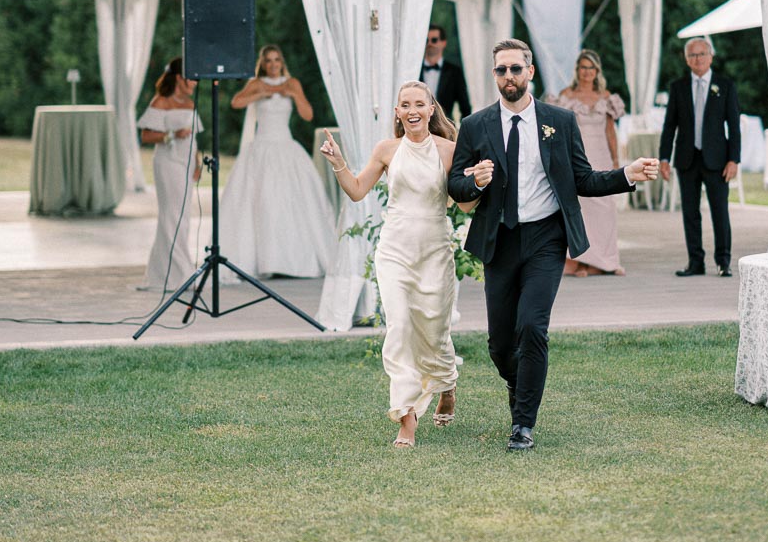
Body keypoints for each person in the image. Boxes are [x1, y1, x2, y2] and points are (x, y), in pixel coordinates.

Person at [448, 39, 658, 452]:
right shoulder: (475, 125)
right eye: (501, 70)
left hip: (546, 239)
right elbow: (454, 183)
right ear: (495, 76)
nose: (509, 76)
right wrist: (475, 180)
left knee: (532, 327)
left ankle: (523, 425)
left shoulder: (559, 121)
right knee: (499, 343)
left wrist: (626, 174)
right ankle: (520, 381)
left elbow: (583, 179)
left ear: (530, 73)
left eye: (515, 69)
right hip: (500, 241)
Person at [320, 82, 490, 449]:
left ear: (431, 109)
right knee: (398, 330)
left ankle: (447, 383)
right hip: (394, 251)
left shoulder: (449, 150)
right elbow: (356, 189)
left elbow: (463, 207)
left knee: (434, 330)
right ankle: (407, 417)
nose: (412, 110)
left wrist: (477, 183)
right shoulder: (386, 150)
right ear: (397, 113)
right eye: (404, 105)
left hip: (434, 251)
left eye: (419, 104)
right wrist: (339, 164)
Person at [218, 44, 335, 279]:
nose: (273, 65)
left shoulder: (292, 84)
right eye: (268, 61)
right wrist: (261, 94)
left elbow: (308, 115)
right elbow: (236, 103)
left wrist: (292, 94)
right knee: (264, 200)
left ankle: (293, 260)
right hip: (261, 148)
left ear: (282, 62)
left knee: (292, 200)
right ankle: (266, 260)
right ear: (263, 64)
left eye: (277, 60)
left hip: (285, 146)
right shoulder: (257, 83)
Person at [659, 36, 741, 278]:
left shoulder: (725, 86)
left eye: (702, 54)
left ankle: (723, 261)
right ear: (686, 59)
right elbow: (669, 126)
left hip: (717, 160)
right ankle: (695, 262)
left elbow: (734, 126)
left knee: (719, 211)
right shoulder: (678, 86)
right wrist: (664, 158)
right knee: (690, 213)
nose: (698, 59)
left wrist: (733, 159)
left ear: (711, 56)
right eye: (692, 55)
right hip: (686, 158)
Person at [553, 49, 627, 276]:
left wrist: (616, 160)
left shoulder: (606, 97)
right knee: (582, 208)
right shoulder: (566, 96)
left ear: (597, 71)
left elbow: (610, 131)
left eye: (591, 68)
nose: (587, 72)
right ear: (578, 71)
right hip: (577, 156)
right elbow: (560, 130)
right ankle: (583, 261)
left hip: (602, 155)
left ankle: (608, 260)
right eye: (583, 67)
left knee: (606, 209)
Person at [137, 57, 203, 291]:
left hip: (186, 163)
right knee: (172, 216)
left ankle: (164, 272)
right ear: (179, 78)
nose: (195, 83)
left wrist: (196, 163)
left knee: (183, 217)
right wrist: (172, 134)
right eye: (192, 78)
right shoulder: (161, 102)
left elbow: (194, 136)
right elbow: (146, 135)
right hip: (168, 163)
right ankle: (182, 273)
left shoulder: (189, 104)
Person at [420, 23, 471, 119]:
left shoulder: (455, 72)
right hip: (416, 127)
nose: (430, 44)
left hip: (445, 128)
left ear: (443, 43)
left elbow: (465, 106)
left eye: (434, 40)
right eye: (427, 40)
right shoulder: (415, 70)